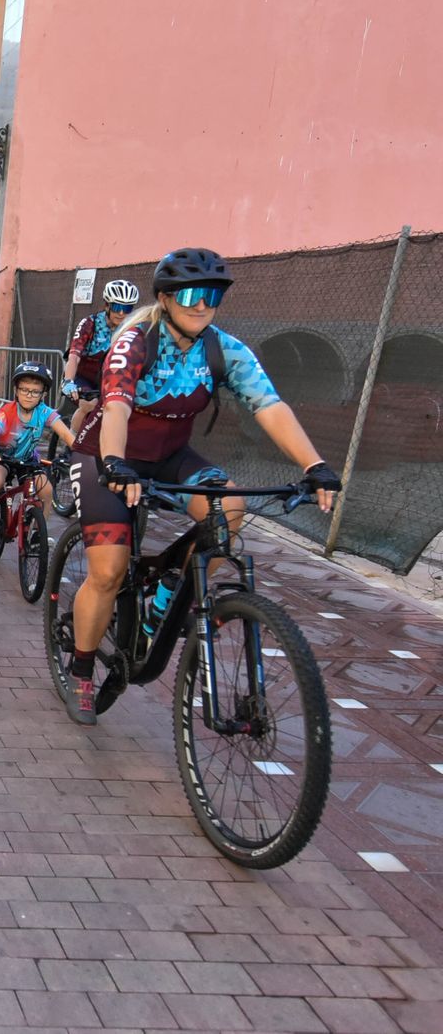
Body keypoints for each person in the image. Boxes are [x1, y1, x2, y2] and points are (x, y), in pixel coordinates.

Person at [64, 247, 340, 726]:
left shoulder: (223, 348)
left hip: (171, 457)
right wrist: (114, 463)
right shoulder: (135, 341)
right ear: (166, 298)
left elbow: (268, 405)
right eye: (190, 294)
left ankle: (170, 590)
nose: (201, 305)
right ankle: (83, 668)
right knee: (107, 572)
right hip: (108, 453)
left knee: (229, 508)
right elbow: (118, 409)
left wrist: (314, 464)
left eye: (212, 296)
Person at [0, 361, 75, 531]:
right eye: (24, 389)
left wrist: (81, 453)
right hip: (1, 457)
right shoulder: (8, 411)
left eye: (35, 392)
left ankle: (38, 533)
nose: (29, 395)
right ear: (16, 390)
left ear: (43, 394)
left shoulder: (44, 412)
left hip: (28, 460)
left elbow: (66, 434)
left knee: (46, 490)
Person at [63, 279, 140, 438]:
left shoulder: (132, 328)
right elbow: (75, 354)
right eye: (117, 307)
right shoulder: (90, 323)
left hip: (107, 376)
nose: (121, 313)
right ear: (107, 305)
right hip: (82, 374)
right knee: (89, 405)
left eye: (127, 308)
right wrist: (68, 381)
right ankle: (72, 446)